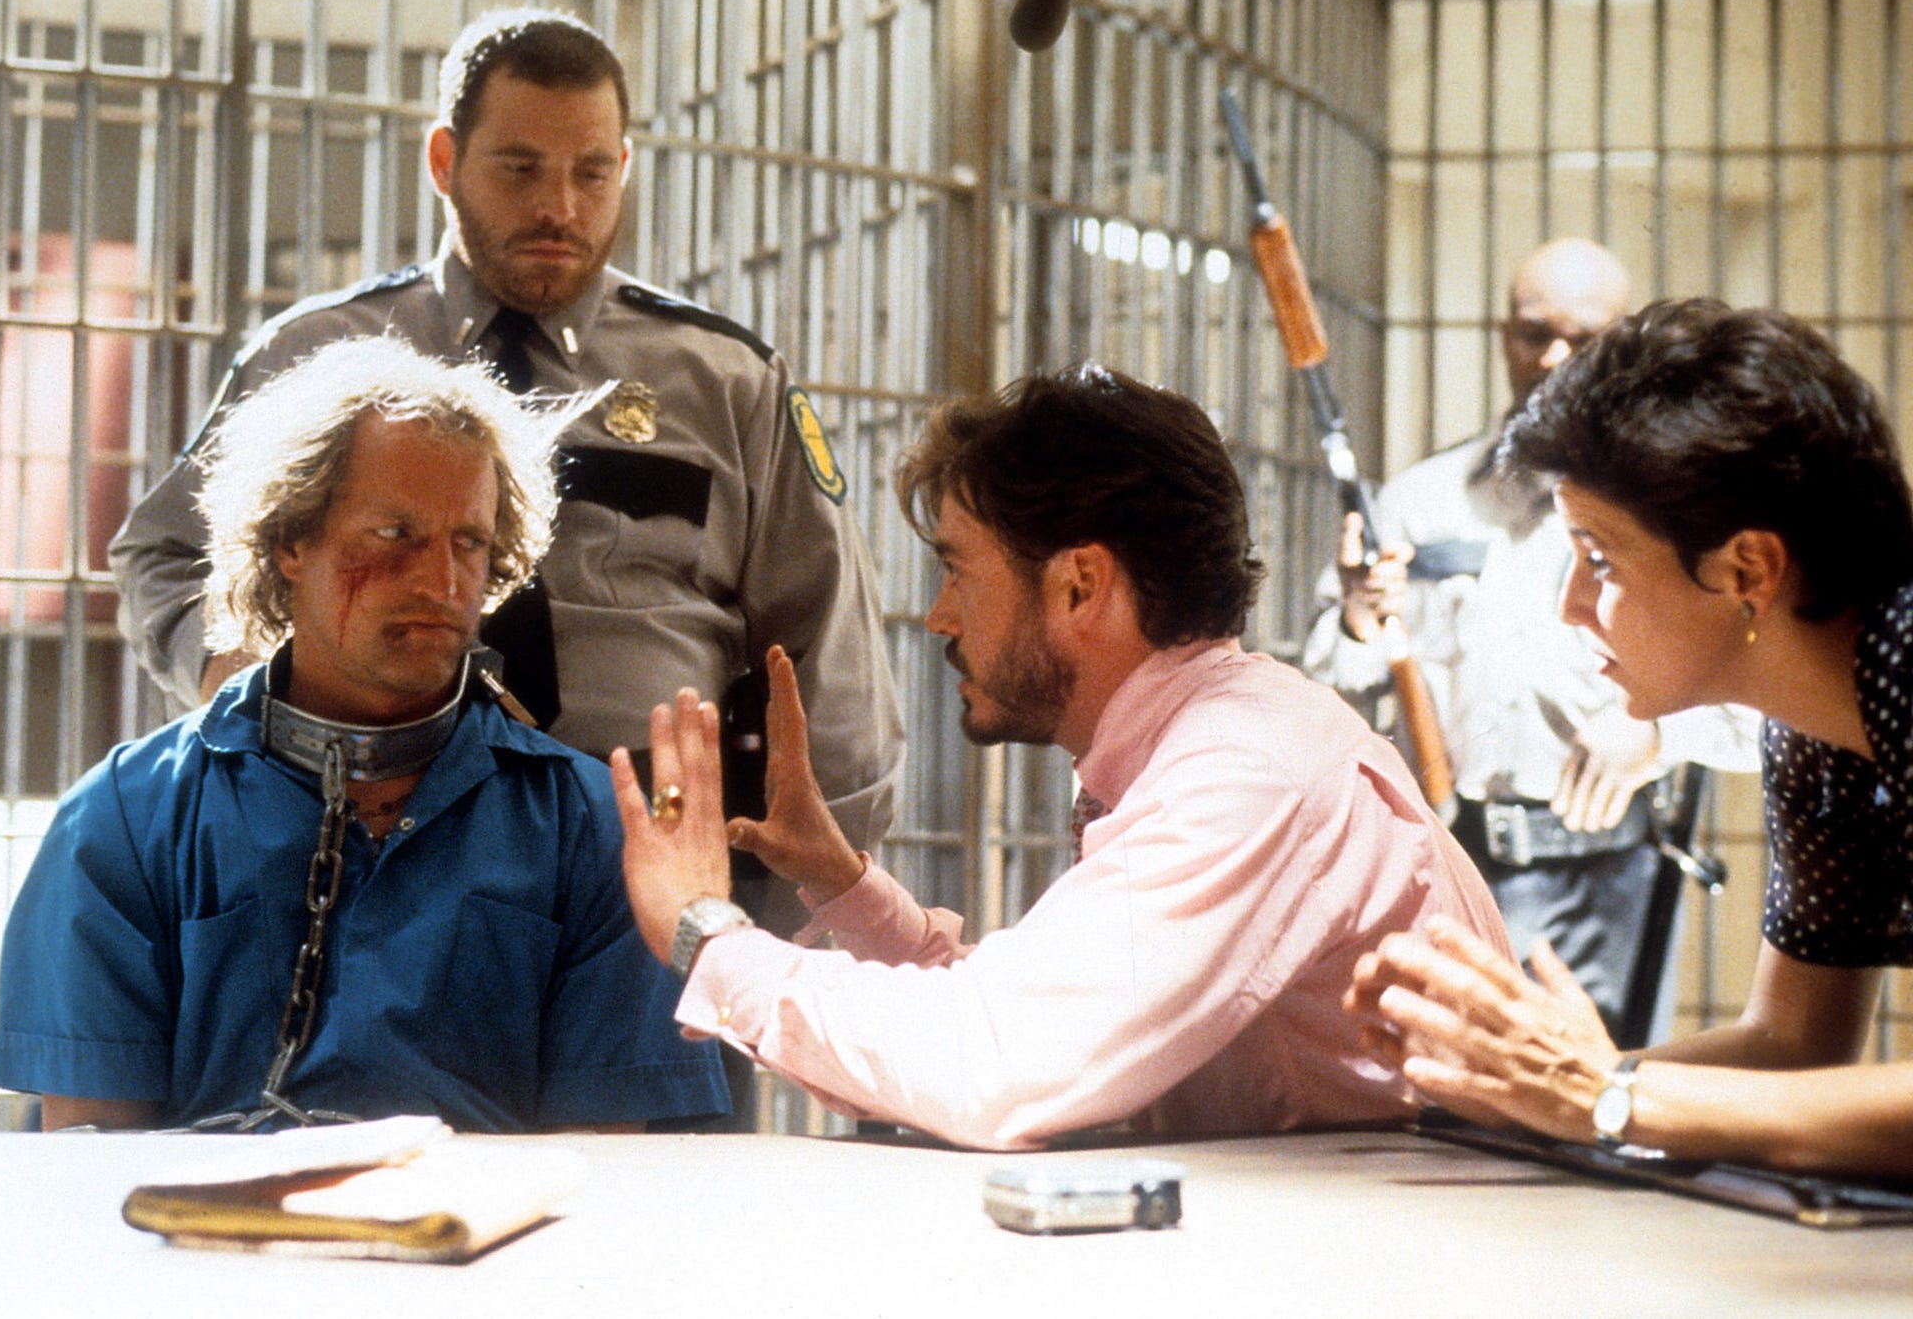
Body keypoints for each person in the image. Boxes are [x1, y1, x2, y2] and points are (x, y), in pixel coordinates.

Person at [106, 7, 904, 939]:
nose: (560, 207)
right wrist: (241, 681)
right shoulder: (320, 354)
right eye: (521, 169)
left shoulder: (725, 379)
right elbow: (164, 553)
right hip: (362, 893)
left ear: (625, 170)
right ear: (445, 161)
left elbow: (830, 662)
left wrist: (764, 927)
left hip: (655, 903)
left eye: (592, 172)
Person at [606, 364, 1510, 1152]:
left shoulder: (1248, 768)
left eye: (959, 570)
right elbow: (1039, 1014)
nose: (938, 617)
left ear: (1080, 584)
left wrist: (705, 933)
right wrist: (844, 884)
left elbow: (991, 1064)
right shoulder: (1220, 736)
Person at [0, 337, 729, 1133]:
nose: (442, 584)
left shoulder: (591, 830)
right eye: (393, 535)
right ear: (289, 540)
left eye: (468, 543)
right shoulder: (122, 822)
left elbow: (600, 1177)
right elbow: (90, 1168)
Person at [1346, 299, 1913, 1177]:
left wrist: (1606, 1093)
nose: (1572, 605)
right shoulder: (1814, 725)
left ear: (1746, 569)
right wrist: (1508, 1085)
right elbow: (1795, 1045)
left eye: (1599, 560)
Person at [1302, 238, 1757, 1041]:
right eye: (1530, 333)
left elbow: (1765, 698)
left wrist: (1656, 733)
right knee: (1440, 1121)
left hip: (1604, 881)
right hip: (1443, 870)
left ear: (1625, 347)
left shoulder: (1677, 511)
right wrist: (1358, 624)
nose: (1552, 359)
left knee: (1588, 1132)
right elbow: (1324, 699)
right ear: (1499, 333)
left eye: (1584, 341)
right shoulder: (1418, 501)